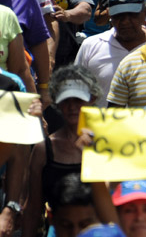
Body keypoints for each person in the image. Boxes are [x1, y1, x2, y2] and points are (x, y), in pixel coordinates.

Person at [21, 66, 101, 237]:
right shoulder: (43, 149)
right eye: (66, 100)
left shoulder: (105, 144)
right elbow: (34, 207)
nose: (72, 107)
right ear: (57, 102)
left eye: (78, 100)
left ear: (92, 99)